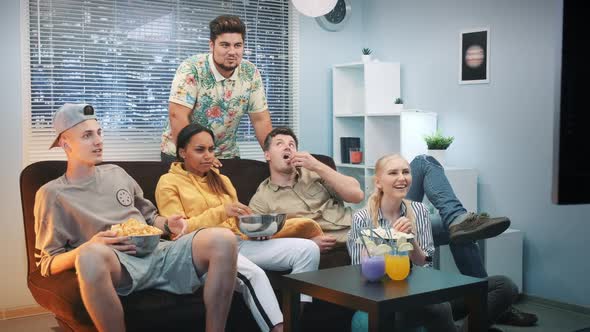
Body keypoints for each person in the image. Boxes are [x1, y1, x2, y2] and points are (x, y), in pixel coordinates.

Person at [35, 103, 238, 332]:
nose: (98, 141)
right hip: (118, 263)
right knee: (90, 256)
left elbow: (151, 218)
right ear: (65, 144)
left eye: (99, 133)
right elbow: (47, 263)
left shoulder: (117, 173)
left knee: (223, 239)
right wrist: (90, 246)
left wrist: (168, 223)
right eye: (87, 135)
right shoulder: (52, 194)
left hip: (159, 253)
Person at [155, 123, 321, 332]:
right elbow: (178, 232)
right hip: (202, 253)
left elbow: (235, 221)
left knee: (308, 250)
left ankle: (294, 321)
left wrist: (255, 232)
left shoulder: (222, 180)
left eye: (211, 149)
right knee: (255, 274)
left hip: (238, 243)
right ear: (182, 152)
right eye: (200, 150)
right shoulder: (168, 182)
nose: (208, 155)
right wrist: (222, 211)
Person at [347, 154, 517, 331]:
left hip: (422, 292)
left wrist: (411, 241)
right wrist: (389, 245)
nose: (402, 178)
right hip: (391, 301)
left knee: (504, 286)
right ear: (378, 182)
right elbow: (362, 277)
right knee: (439, 307)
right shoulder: (362, 218)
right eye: (393, 173)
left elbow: (426, 263)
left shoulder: (418, 210)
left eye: (406, 172)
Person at [407, 155, 538, 326]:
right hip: (391, 225)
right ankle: (490, 304)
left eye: (401, 172)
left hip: (409, 224)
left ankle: (457, 220)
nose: (400, 176)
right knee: (422, 161)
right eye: (393, 172)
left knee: (458, 230)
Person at [161, 14, 272, 163]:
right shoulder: (191, 68)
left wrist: (273, 156)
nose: (232, 52)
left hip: (226, 154)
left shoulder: (250, 73)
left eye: (237, 45)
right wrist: (202, 154)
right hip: (184, 152)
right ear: (212, 45)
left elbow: (260, 120)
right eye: (225, 45)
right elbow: (177, 115)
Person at [248, 127, 365, 252]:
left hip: (360, 225)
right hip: (342, 241)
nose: (287, 147)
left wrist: (317, 166)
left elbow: (356, 195)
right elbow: (255, 238)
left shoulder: (314, 172)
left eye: (291, 145)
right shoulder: (262, 198)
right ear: (267, 155)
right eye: (279, 143)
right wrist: (306, 244)